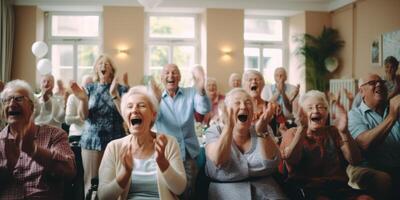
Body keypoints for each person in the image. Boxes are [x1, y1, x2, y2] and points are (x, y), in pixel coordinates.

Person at [98, 86, 186, 200]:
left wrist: (162, 162)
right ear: (125, 116)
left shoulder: (169, 143)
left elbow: (179, 189)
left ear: (153, 115)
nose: (134, 110)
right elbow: (103, 196)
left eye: (142, 105)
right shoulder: (114, 147)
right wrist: (125, 174)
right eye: (130, 107)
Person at [280, 90, 369, 200]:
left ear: (327, 113)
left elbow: (355, 160)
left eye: (321, 107)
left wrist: (345, 132)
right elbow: (292, 161)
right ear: (301, 113)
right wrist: (302, 129)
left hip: (338, 188)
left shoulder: (333, 131)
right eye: (310, 108)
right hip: (306, 189)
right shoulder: (292, 133)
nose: (316, 110)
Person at [205, 88, 287, 200]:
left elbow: (273, 162)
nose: (243, 106)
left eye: (248, 102)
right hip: (227, 193)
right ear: (226, 110)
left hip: (267, 192)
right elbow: (218, 161)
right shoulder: (214, 131)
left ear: (252, 112)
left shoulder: (262, 128)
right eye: (237, 102)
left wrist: (262, 130)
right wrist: (229, 127)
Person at [0, 80, 76, 199]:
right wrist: (8, 165)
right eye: (6, 100)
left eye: (18, 99)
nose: (11, 104)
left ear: (32, 106)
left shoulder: (54, 134)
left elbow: (69, 171)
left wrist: (33, 150)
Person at [70, 54, 128, 196]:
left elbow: (126, 115)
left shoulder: (122, 89)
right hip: (92, 141)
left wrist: (114, 94)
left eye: (107, 64)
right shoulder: (89, 88)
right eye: (100, 63)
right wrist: (83, 100)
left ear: (112, 69)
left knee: (115, 182)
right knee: (91, 182)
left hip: (116, 140)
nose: (103, 66)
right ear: (96, 69)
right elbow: (83, 117)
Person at [154, 64, 211, 199]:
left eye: (174, 72)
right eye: (167, 73)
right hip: (167, 154)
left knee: (189, 192)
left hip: (189, 154)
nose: (171, 75)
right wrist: (155, 102)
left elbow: (204, 109)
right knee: (170, 192)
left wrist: (202, 90)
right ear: (162, 78)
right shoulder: (158, 98)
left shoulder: (190, 92)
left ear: (179, 77)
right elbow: (153, 119)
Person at [347, 73, 400, 199]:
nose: (379, 85)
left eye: (382, 82)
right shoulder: (354, 115)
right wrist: (392, 117)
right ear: (361, 91)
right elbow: (366, 144)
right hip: (375, 170)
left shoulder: (396, 108)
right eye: (372, 83)